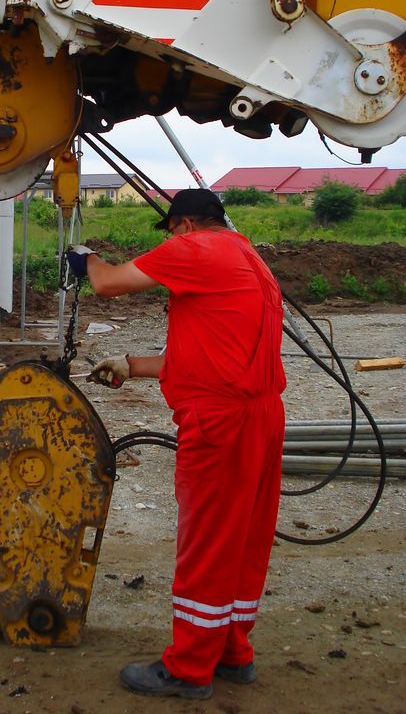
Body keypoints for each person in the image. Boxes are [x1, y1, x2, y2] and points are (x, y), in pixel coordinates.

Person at [66, 188, 286, 701]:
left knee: (208, 539)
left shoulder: (194, 249)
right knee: (243, 539)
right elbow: (214, 351)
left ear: (184, 225)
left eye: (170, 232)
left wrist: (84, 257)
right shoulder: (249, 258)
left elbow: (106, 284)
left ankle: (188, 668)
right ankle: (233, 653)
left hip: (218, 421)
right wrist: (133, 365)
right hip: (261, 414)